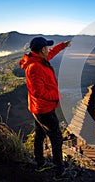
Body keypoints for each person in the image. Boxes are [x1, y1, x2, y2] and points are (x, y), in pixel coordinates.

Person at [19, 37, 75, 180]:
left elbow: (51, 54)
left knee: (40, 135)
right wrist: (55, 96)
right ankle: (60, 172)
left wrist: (63, 45)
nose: (48, 50)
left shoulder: (37, 60)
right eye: (46, 48)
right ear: (42, 50)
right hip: (44, 109)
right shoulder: (34, 67)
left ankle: (40, 163)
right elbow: (38, 91)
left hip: (38, 108)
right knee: (56, 138)